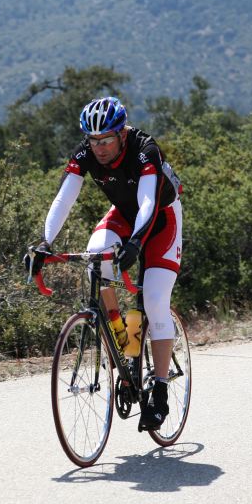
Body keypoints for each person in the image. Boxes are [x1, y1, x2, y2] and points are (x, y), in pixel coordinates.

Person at [27, 96, 182, 431]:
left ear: (121, 134)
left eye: (106, 140)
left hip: (161, 219)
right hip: (126, 216)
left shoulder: (145, 149)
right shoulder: (86, 152)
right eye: (93, 140)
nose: (98, 148)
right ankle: (127, 346)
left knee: (154, 300)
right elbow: (64, 197)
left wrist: (137, 242)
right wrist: (45, 243)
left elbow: (148, 201)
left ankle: (160, 388)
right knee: (95, 258)